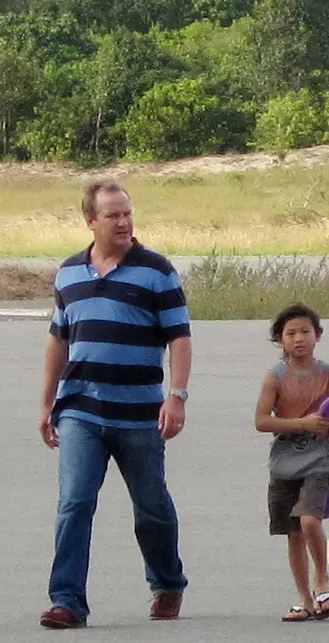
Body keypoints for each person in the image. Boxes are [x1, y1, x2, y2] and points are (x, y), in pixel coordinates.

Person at [38, 179, 192, 629]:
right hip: (80, 410)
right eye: (113, 215)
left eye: (127, 213)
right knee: (74, 504)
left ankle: (167, 581)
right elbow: (57, 341)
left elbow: (179, 339)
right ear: (91, 221)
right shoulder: (68, 274)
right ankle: (67, 601)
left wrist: (176, 397)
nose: (124, 222)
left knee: (151, 506)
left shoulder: (156, 271)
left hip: (140, 413)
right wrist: (46, 404)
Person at [254, 303, 329, 622]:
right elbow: (262, 421)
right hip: (284, 464)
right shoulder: (275, 377)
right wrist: (302, 424)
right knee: (293, 532)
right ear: (280, 341)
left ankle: (322, 582)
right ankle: (304, 599)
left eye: (305, 332)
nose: (299, 339)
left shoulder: (328, 373)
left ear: (318, 335)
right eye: (291, 333)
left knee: (310, 520)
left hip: (320, 461)